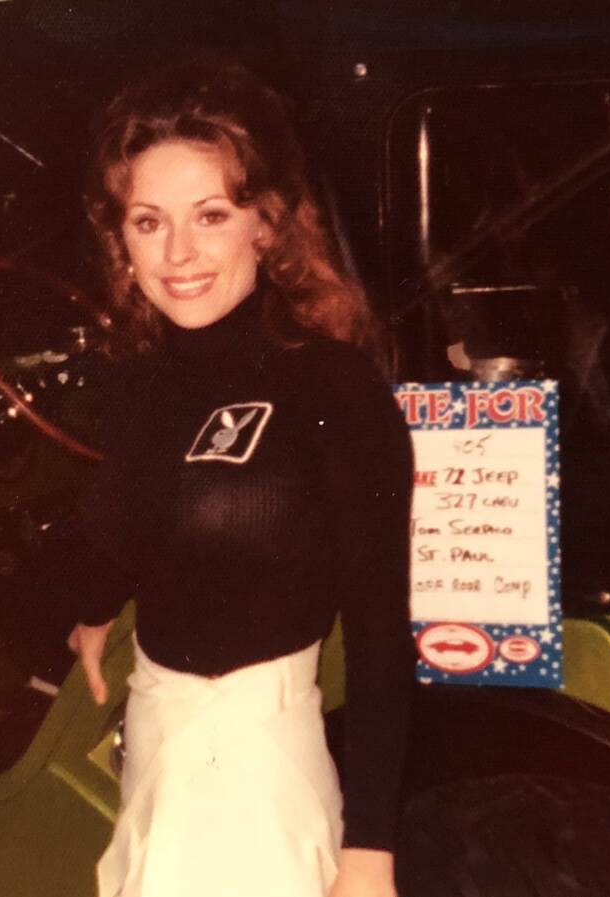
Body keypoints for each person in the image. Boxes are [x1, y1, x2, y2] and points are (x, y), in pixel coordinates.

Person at [65, 58, 415, 897]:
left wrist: (371, 851)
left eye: (210, 216)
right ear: (122, 238)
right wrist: (93, 606)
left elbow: (378, 635)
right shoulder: (142, 377)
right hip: (157, 743)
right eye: (149, 222)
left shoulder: (332, 384)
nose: (178, 253)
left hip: (257, 772)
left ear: (264, 225)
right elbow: (135, 519)